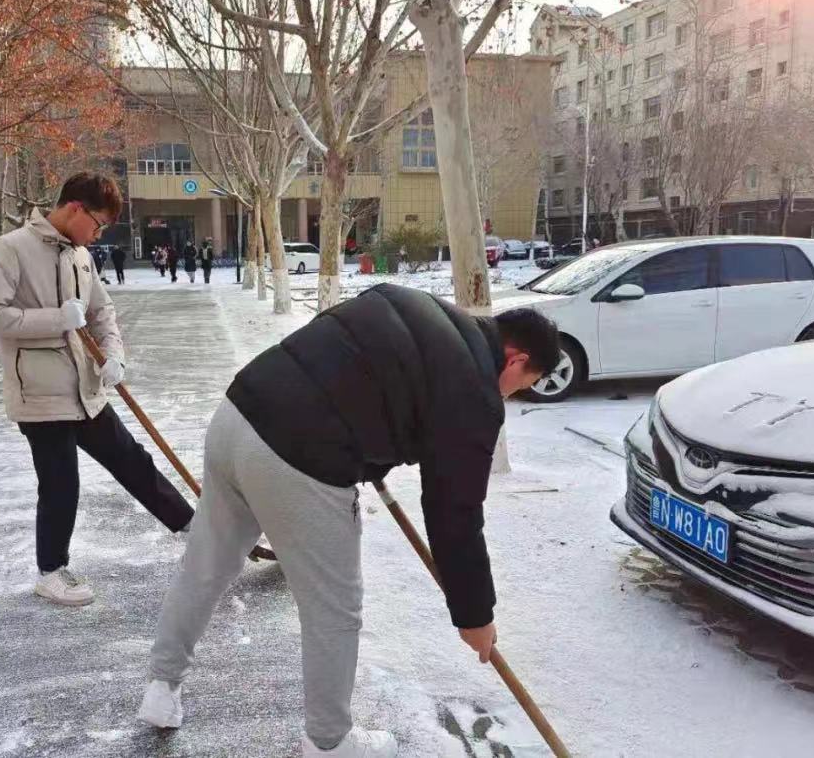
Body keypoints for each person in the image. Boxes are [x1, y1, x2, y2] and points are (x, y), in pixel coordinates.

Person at [137, 284, 560, 758]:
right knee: (333, 609)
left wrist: (373, 451)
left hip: (239, 413)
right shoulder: (475, 391)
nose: (510, 395)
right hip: (298, 457)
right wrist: (475, 614)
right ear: (516, 360)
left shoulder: (412, 302)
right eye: (521, 385)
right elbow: (455, 513)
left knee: (205, 566)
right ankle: (329, 742)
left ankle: (161, 687)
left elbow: (348, 359)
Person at [0, 173, 194, 607]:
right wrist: (56, 319)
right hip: (40, 395)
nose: (98, 234)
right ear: (75, 208)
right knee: (61, 484)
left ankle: (190, 526)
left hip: (86, 390)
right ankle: (51, 572)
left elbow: (101, 312)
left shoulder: (80, 257)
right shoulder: (11, 249)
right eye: (98, 224)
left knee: (132, 460)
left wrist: (113, 356)